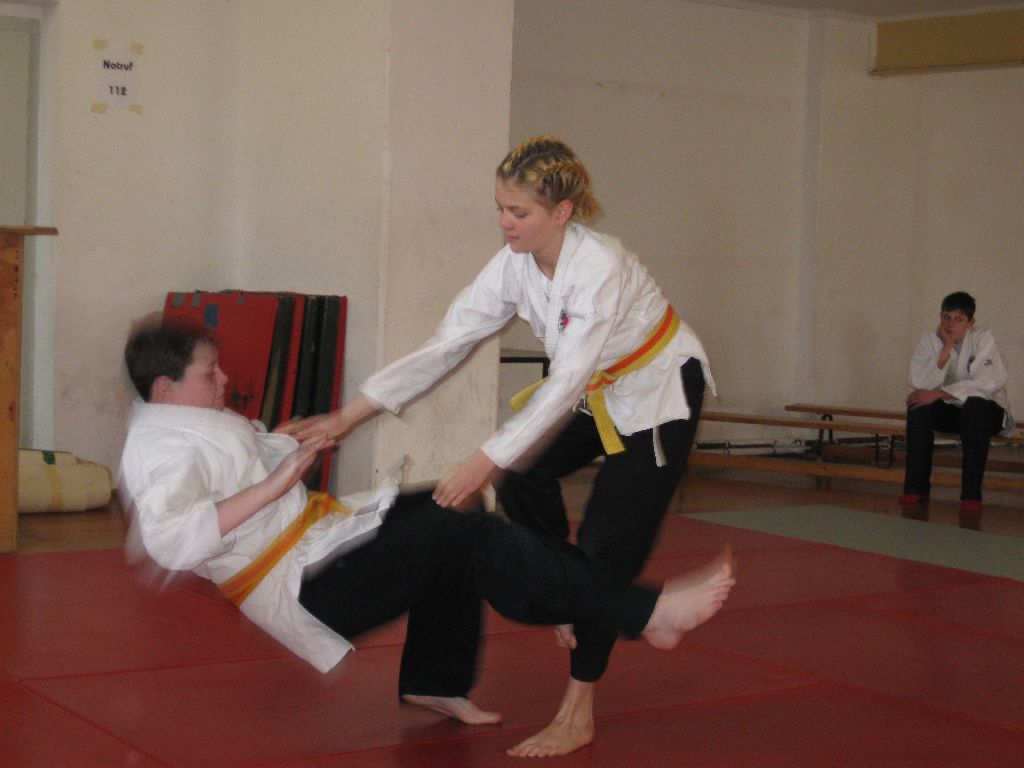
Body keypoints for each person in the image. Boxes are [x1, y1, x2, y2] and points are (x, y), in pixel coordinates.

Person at [281, 135, 713, 756]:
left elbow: (564, 383)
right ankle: (573, 593)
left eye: (519, 212)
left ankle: (578, 708)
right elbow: (447, 344)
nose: (505, 223)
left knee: (603, 549)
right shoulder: (515, 263)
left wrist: (485, 458)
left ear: (561, 212)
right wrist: (347, 417)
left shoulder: (599, 267)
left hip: (658, 396)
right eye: (501, 209)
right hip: (601, 389)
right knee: (524, 480)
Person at [119, 322, 735, 728]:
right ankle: (641, 611)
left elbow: (236, 467)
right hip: (305, 589)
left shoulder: (188, 421)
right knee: (468, 538)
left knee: (455, 505)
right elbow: (172, 541)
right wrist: (276, 483)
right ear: (166, 387)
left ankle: (434, 679)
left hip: (317, 544)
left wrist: (282, 445)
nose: (225, 379)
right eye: (210, 374)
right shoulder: (157, 450)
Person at [899, 291, 1013, 524]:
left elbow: (988, 383)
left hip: (988, 413)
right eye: (946, 318)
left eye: (958, 319)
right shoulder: (931, 340)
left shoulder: (983, 339)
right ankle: (915, 488)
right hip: (956, 411)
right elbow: (919, 381)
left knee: (975, 405)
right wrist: (946, 349)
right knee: (918, 404)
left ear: (971, 323)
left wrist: (939, 393)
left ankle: (971, 494)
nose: (950, 324)